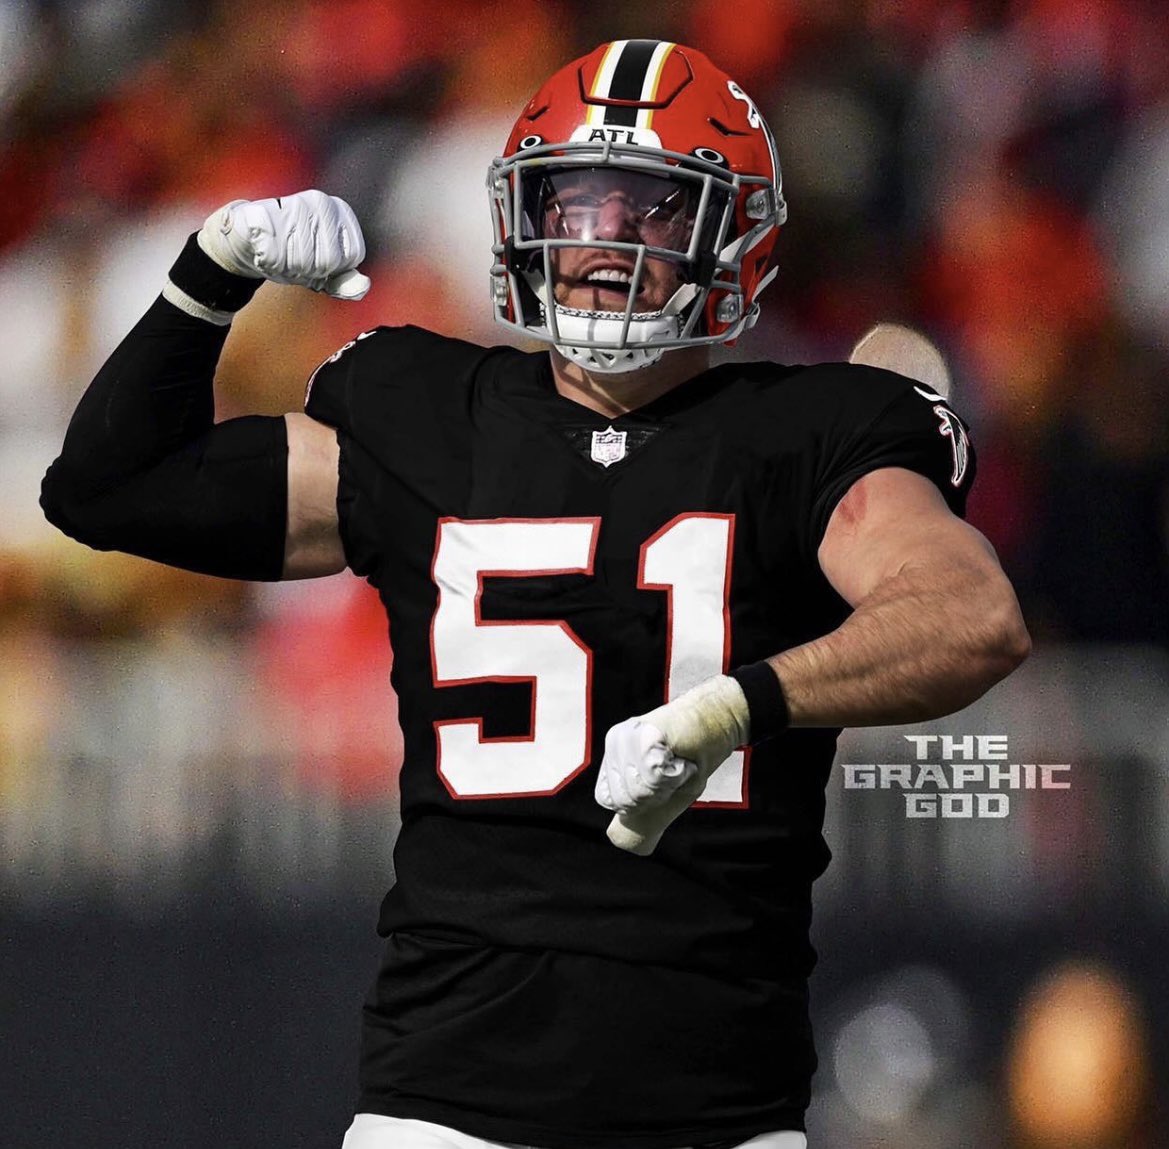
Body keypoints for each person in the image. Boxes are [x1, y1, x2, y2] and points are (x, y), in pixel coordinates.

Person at [40, 39, 1030, 1149]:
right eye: (575, 200)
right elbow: (109, 489)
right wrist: (208, 278)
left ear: (735, 236)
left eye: (650, 208)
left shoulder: (804, 433)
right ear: (522, 213)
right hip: (441, 1111)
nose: (602, 239)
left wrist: (736, 705)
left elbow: (971, 616)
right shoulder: (428, 414)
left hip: (714, 1112)